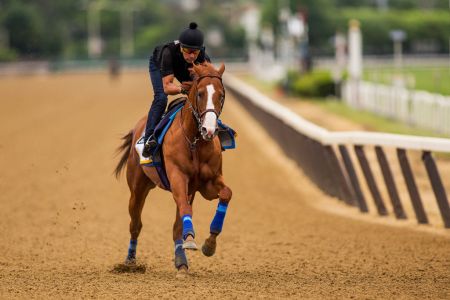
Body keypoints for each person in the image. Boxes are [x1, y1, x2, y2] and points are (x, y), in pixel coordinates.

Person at [142, 22, 211, 158]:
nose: (191, 56)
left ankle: (213, 126)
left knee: (204, 96)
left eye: (195, 52)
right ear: (181, 47)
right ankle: (149, 139)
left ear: (200, 50)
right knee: (161, 98)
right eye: (188, 51)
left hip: (182, 67)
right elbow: (167, 87)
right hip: (158, 64)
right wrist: (183, 89)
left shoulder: (203, 57)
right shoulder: (168, 53)